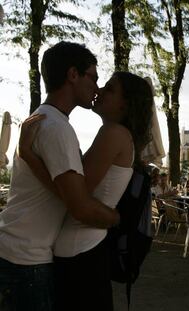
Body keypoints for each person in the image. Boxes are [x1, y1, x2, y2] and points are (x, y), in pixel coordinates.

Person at [0, 41, 119, 311]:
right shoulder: (56, 128)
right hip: (27, 260)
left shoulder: (43, 120)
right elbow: (79, 206)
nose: (97, 88)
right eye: (93, 77)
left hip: (17, 250)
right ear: (73, 75)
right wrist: (115, 218)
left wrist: (29, 156)